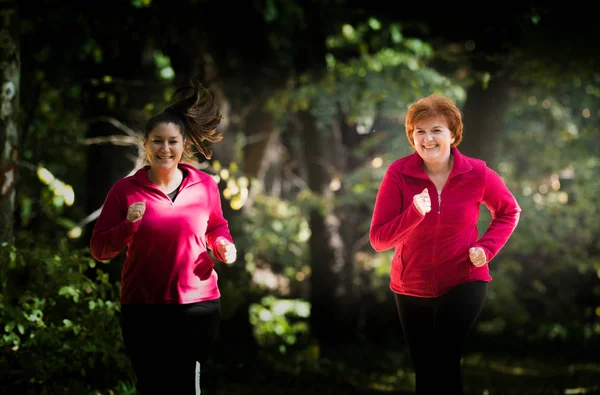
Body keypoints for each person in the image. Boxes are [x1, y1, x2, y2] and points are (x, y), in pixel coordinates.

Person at [90, 80, 237, 395]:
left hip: (197, 305)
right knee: (152, 386)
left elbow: (215, 226)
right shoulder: (124, 191)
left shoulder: (206, 186)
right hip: (143, 306)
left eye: (172, 141)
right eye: (157, 141)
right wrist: (128, 225)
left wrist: (222, 244)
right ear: (145, 144)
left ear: (183, 144)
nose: (165, 149)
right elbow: (100, 250)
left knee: (186, 385)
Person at [369, 94, 521, 395]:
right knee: (425, 369)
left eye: (436, 130)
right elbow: (378, 239)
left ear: (452, 134)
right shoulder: (398, 174)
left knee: (444, 357)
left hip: (464, 280)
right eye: (419, 131)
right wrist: (414, 214)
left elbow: (508, 211)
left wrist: (486, 248)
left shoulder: (477, 173)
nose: (427, 139)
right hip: (410, 286)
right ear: (412, 136)